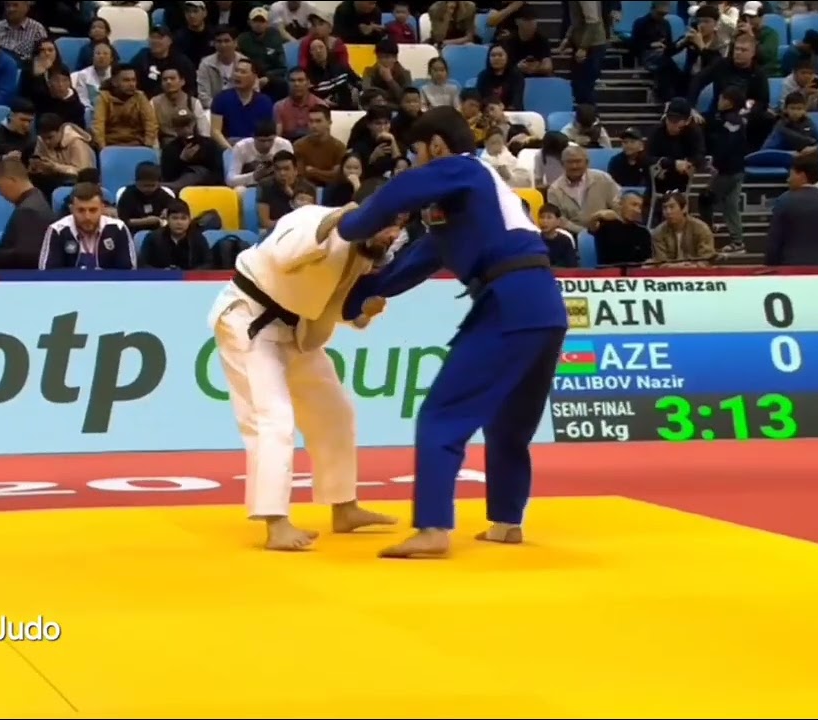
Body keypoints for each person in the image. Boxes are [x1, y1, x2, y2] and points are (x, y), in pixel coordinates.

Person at [335, 106, 568, 559]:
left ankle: (433, 528)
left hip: (509, 302)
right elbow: (411, 266)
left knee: (442, 414)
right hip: (543, 306)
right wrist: (354, 298)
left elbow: (398, 192)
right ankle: (507, 522)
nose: (414, 163)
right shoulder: (465, 208)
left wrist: (347, 226)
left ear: (437, 146)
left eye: (417, 153)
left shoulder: (464, 168)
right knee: (509, 423)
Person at [205, 201, 402, 550]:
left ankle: (344, 506)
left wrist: (364, 312)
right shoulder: (311, 219)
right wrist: (336, 220)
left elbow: (329, 304)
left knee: (335, 412)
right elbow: (283, 256)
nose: (392, 235)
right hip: (249, 319)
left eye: (398, 226)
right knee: (273, 418)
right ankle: (276, 523)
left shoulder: (363, 254)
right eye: (388, 224)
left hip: (295, 330)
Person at [38, 182, 137, 270]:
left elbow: (128, 271)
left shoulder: (118, 228)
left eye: (93, 210)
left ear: (102, 208)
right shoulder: (57, 230)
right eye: (81, 210)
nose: (87, 217)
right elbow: (48, 273)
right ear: (71, 209)